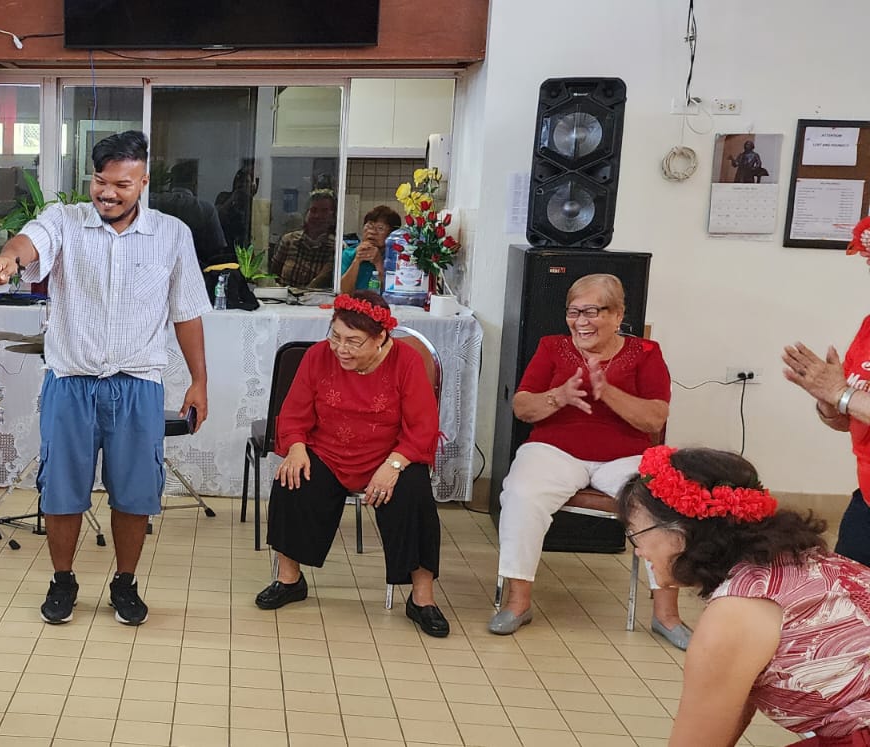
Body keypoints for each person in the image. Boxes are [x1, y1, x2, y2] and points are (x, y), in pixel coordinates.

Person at [0, 130, 210, 627]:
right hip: (71, 381)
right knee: (61, 490)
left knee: (135, 493)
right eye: (100, 181)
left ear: (144, 181)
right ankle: (62, 579)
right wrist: (10, 258)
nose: (107, 193)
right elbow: (30, 241)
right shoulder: (65, 221)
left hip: (139, 384)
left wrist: (199, 380)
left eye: (122, 184)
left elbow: (187, 312)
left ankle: (125, 583)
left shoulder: (172, 234)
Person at [619, 446, 870, 746]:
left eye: (637, 534)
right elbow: (731, 703)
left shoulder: (735, 615)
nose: (638, 550)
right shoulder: (797, 560)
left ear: (679, 534)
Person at [491, 273, 691, 647]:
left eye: (592, 311)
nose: (581, 321)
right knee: (521, 493)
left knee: (662, 498)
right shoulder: (551, 347)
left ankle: (666, 614)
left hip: (625, 456)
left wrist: (608, 392)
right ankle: (517, 603)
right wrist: (558, 397)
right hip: (554, 450)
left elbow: (654, 419)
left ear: (618, 315)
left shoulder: (647, 354)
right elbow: (522, 407)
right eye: (573, 312)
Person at [253, 291, 449, 636]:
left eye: (354, 342)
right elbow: (293, 414)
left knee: (414, 495)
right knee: (292, 478)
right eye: (336, 337)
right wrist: (296, 448)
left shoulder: (406, 362)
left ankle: (422, 598)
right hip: (327, 451)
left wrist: (394, 465)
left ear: (381, 338)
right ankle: (289, 579)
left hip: (389, 456)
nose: (341, 349)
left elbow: (423, 426)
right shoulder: (316, 357)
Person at [780, 215, 870, 567]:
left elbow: (849, 396)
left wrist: (841, 394)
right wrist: (828, 403)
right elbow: (848, 419)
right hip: (865, 497)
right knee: (849, 602)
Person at [269, 189, 339, 289]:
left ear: (333, 217)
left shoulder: (336, 247)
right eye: (313, 210)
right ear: (306, 213)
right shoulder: (288, 240)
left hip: (317, 303)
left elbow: (322, 280)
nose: (317, 216)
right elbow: (273, 275)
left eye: (324, 211)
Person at [338, 205, 401, 294]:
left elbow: (394, 292)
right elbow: (342, 292)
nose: (372, 232)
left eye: (380, 228)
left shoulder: (397, 257)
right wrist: (357, 260)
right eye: (369, 226)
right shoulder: (348, 254)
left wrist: (378, 263)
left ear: (392, 233)